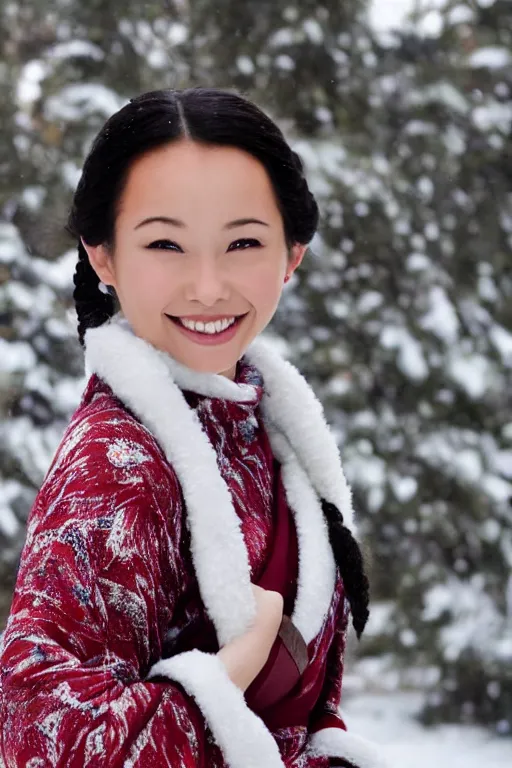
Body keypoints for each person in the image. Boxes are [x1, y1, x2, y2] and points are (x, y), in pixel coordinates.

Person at [0, 87, 388, 768]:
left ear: (292, 254)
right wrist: (226, 676)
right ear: (104, 257)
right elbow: (37, 735)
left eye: (242, 241)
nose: (208, 287)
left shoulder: (267, 427)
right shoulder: (116, 462)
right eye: (165, 244)